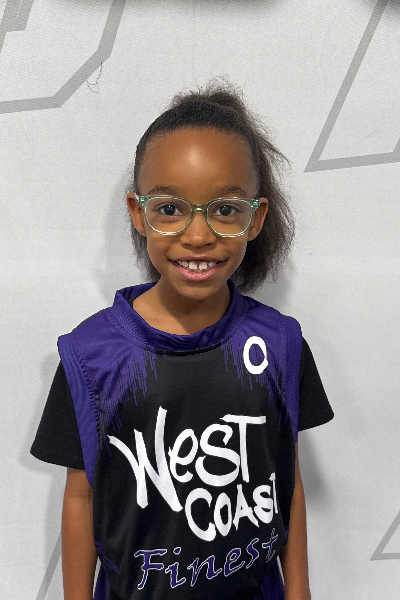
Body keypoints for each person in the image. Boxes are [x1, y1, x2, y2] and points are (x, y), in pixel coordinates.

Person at [31, 80, 334, 600]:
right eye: (170, 209)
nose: (198, 236)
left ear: (256, 218)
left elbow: (289, 481)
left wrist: (299, 592)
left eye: (226, 209)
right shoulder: (90, 355)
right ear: (138, 213)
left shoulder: (280, 345)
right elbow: (80, 497)